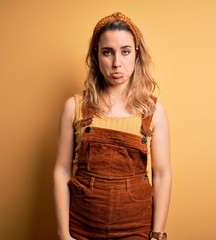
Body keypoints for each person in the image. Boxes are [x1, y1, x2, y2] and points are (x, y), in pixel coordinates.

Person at [53, 12, 171, 240]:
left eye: (125, 51)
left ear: (137, 54)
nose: (117, 63)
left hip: (137, 228)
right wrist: (63, 235)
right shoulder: (74, 107)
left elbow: (162, 174)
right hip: (81, 228)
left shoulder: (153, 110)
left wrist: (157, 235)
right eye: (107, 52)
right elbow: (61, 171)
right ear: (96, 55)